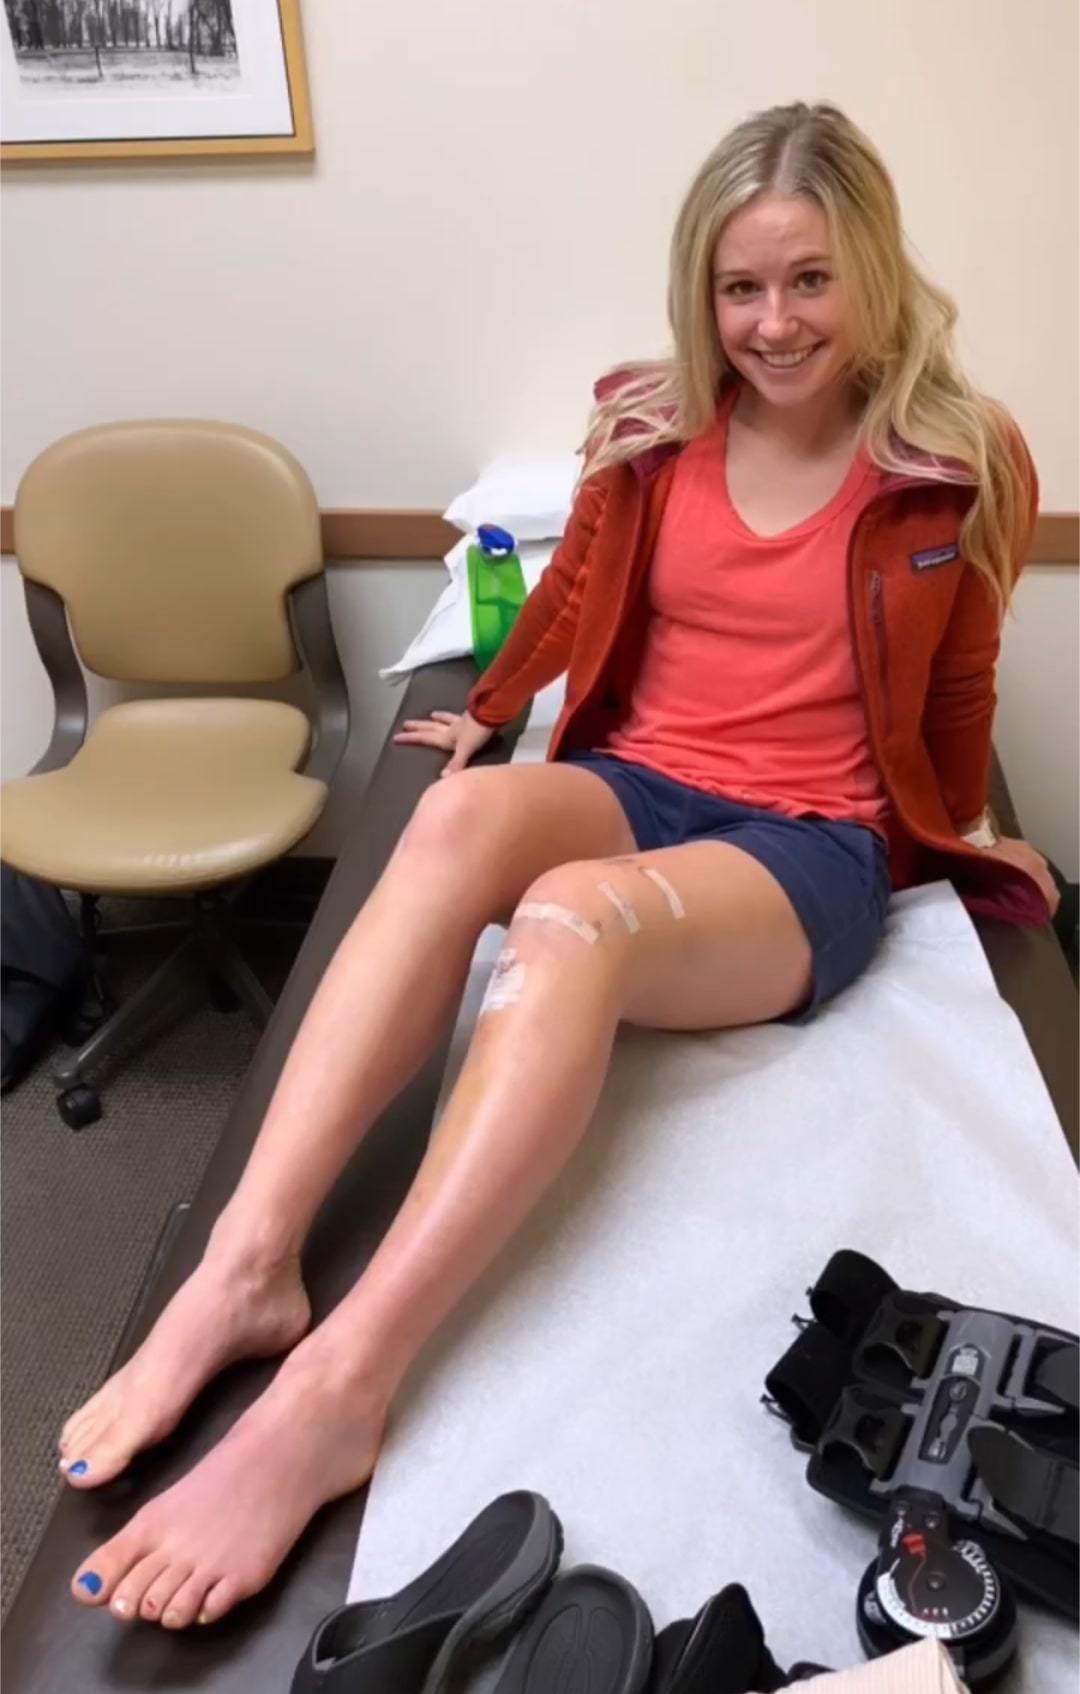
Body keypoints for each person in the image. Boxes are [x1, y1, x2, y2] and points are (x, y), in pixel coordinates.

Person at [62, 101, 1058, 1630]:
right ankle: (246, 1265)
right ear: (700, 288)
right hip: (640, 776)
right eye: (740, 287)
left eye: (810, 280)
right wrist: (497, 709)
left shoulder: (958, 453)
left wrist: (965, 836)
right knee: (457, 825)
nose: (774, 323)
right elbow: (580, 586)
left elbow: (960, 682)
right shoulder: (653, 426)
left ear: (872, 266)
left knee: (572, 918)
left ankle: (342, 1381)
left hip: (807, 843)